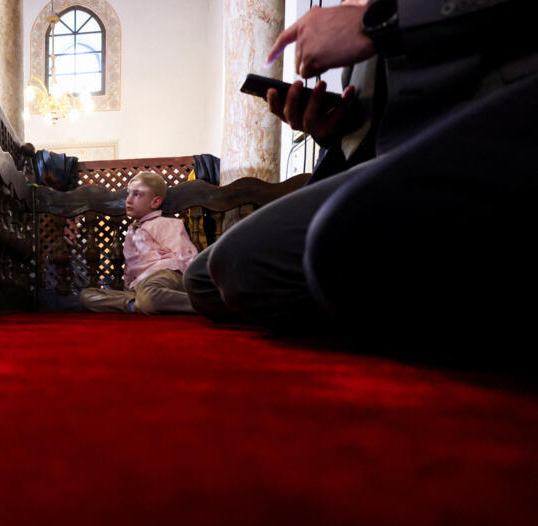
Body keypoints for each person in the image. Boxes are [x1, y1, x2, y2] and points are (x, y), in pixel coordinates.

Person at [184, 0, 537, 359]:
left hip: (496, 132)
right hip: (393, 161)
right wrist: (329, 131)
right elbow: (378, 125)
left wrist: (380, 22)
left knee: (260, 261)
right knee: (204, 278)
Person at [80, 171, 198, 314]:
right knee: (86, 295)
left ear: (155, 202)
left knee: (150, 295)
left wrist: (194, 284)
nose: (128, 200)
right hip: (140, 286)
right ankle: (135, 304)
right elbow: (130, 266)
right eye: (128, 194)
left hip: (164, 274)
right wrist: (128, 287)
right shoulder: (131, 231)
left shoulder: (166, 223)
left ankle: (205, 304)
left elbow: (184, 253)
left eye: (137, 194)